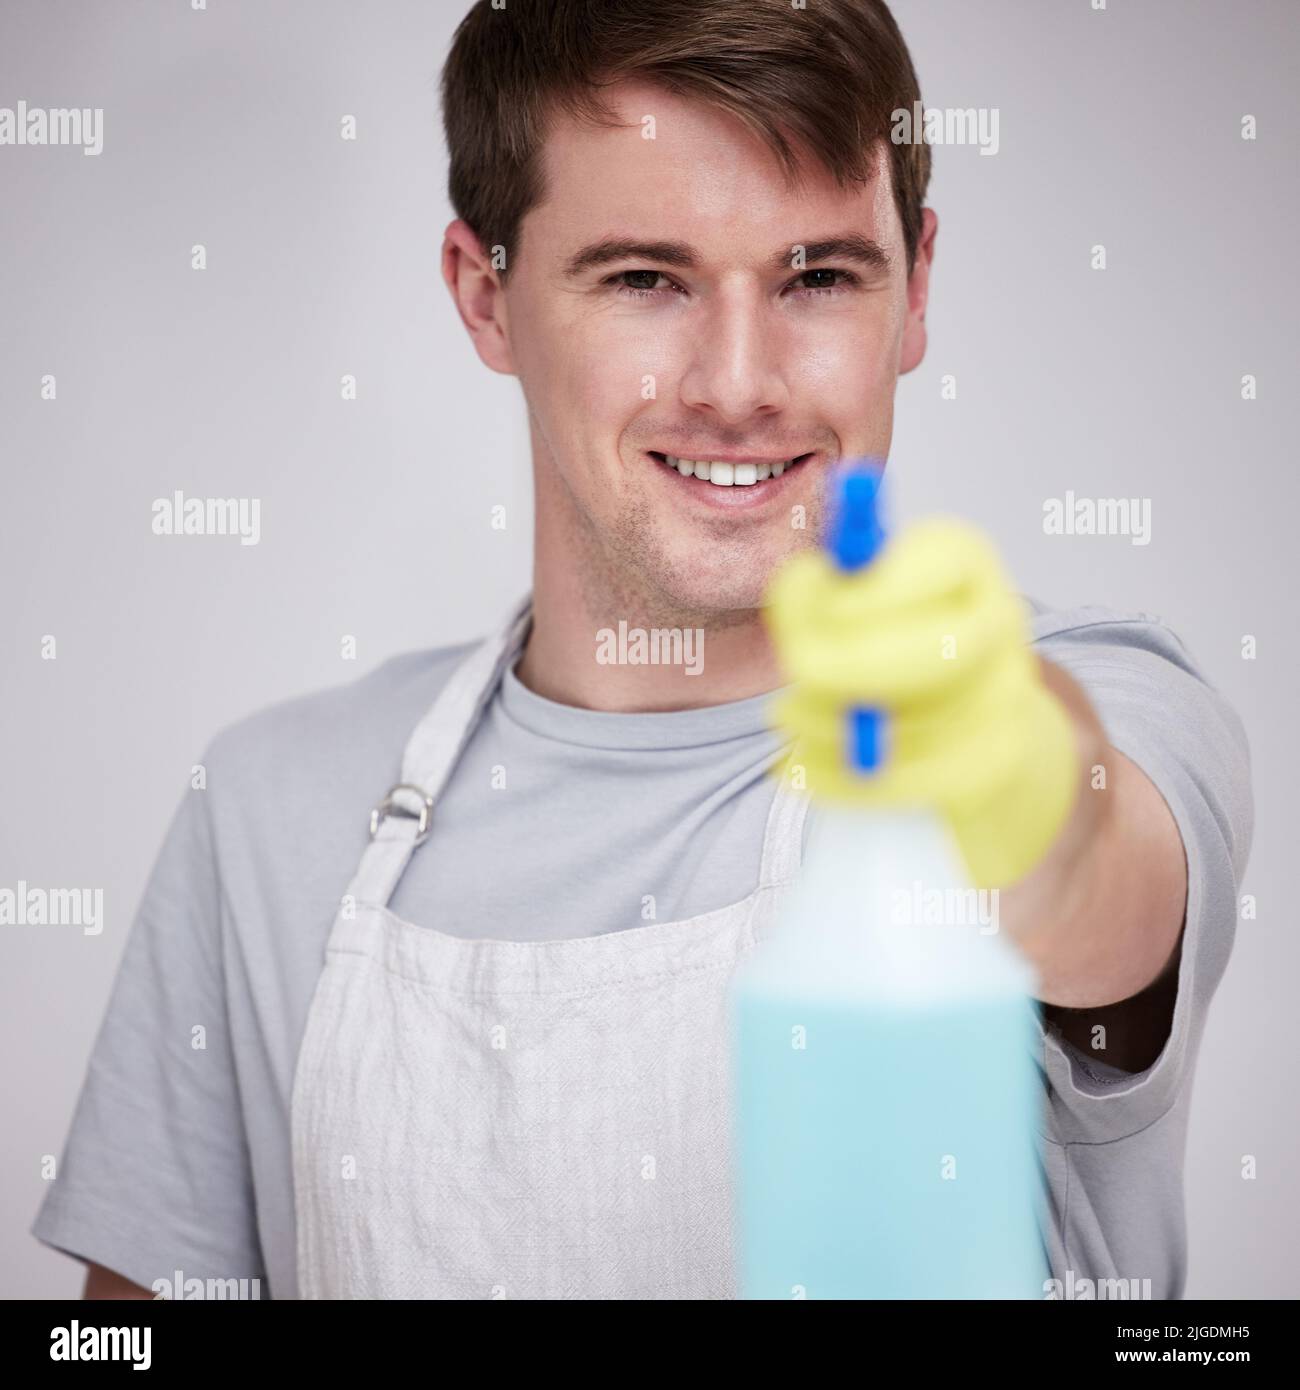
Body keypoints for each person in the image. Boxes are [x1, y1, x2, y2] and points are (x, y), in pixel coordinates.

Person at [34, 0, 1252, 1301]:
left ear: (918, 288)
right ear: (484, 297)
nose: (738, 382)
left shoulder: (1103, 707)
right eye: (645, 279)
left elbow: (1099, 886)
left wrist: (1019, 782)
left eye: (818, 276)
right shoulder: (272, 813)